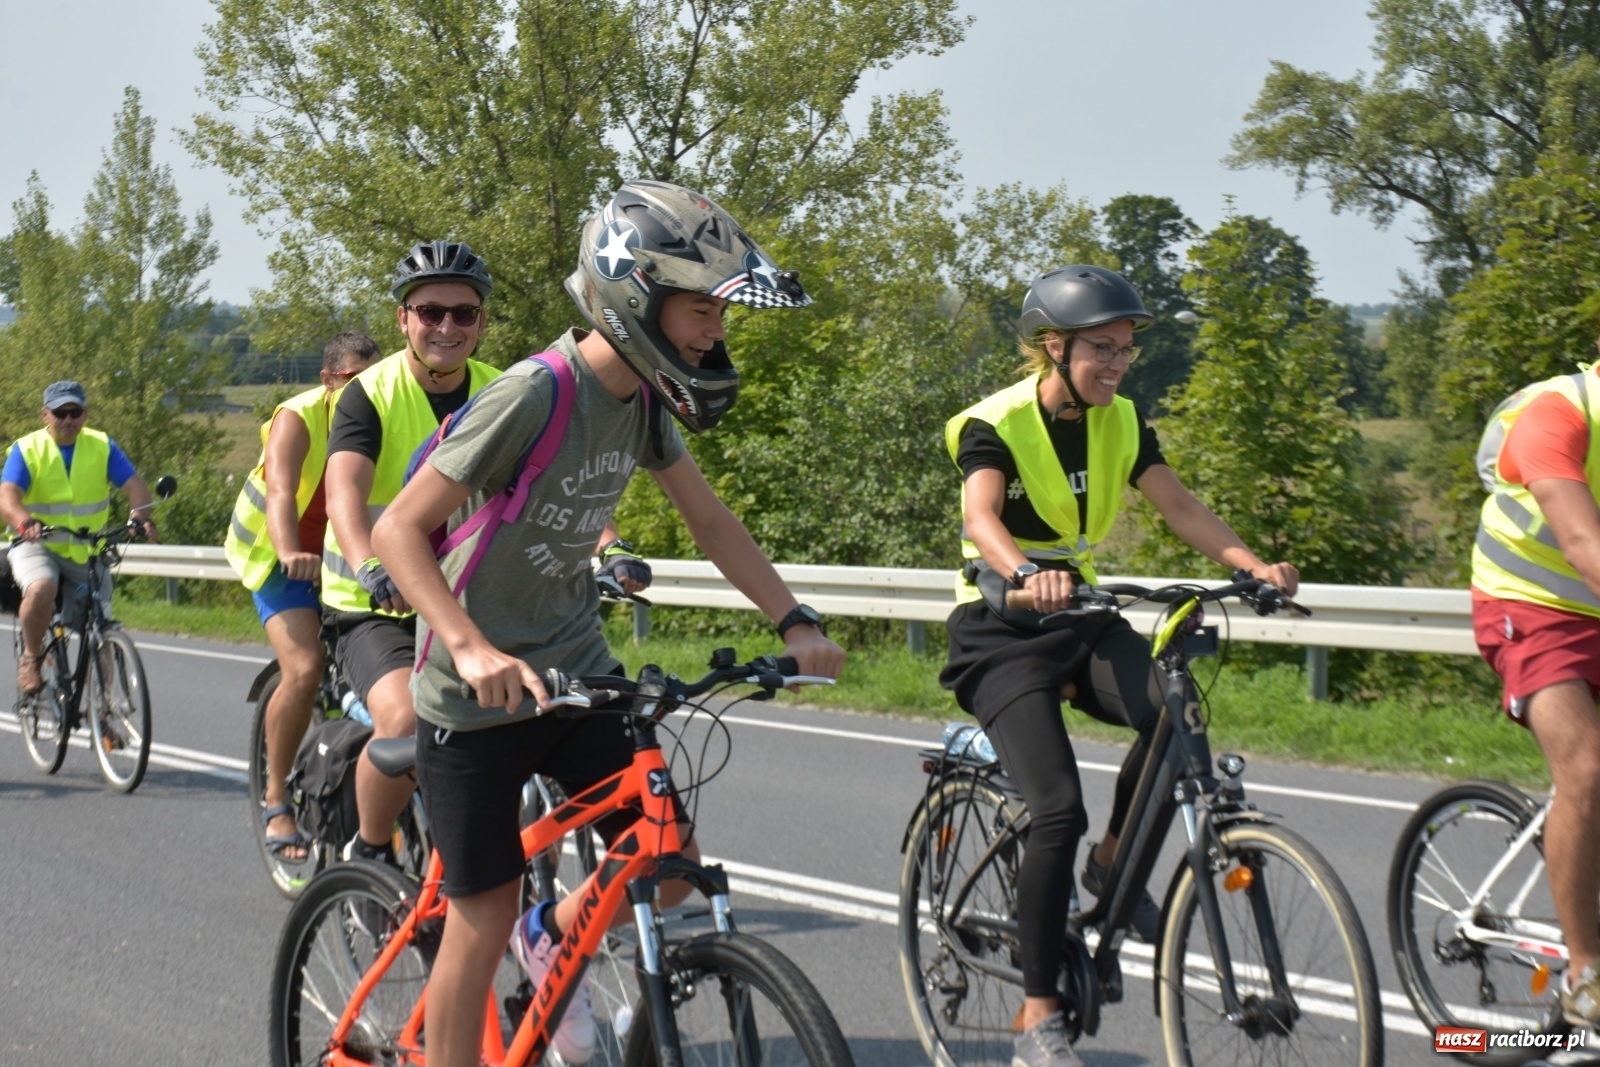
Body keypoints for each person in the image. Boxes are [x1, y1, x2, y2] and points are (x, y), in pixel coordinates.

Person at [372, 179, 845, 1067]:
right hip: (472, 694)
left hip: (572, 671)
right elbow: (397, 527)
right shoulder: (536, 392)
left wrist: (793, 618)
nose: (715, 329)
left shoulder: (643, 401)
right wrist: (470, 647)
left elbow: (710, 520)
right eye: (700, 308)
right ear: (638, 297)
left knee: (665, 863)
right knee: (483, 912)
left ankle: (555, 933)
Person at [939, 265, 1299, 1067]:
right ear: (1054, 347)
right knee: (1054, 808)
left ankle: (1112, 866)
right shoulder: (995, 421)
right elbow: (980, 514)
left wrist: (1249, 565)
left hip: (1082, 615)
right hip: (1002, 626)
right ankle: (1036, 1015)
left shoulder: (1124, 419)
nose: (1118, 362)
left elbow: (1178, 504)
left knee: (1178, 711)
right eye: (1102, 347)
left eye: (1126, 348)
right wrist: (1025, 572)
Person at [319, 241, 502, 866]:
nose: (446, 327)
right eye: (430, 312)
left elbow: (548, 478)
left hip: (463, 599)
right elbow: (343, 490)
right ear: (403, 319)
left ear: (481, 322)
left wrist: (609, 545)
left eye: (464, 313)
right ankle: (369, 852)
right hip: (375, 605)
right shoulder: (368, 393)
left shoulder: (504, 391)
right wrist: (370, 565)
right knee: (403, 720)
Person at [1471, 359, 1600, 1034]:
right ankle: (1584, 975)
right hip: (1531, 605)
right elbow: (1583, 542)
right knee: (1586, 766)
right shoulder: (1558, 415)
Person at [223, 331, 381, 861]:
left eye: (374, 379)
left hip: (345, 559)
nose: (367, 390)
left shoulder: (383, 416)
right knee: (306, 667)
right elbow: (281, 491)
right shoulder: (298, 417)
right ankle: (276, 799)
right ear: (328, 380)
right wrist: (291, 550)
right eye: (354, 380)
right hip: (276, 555)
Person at [1, 380, 160, 695]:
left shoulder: (101, 446)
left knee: (101, 628)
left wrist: (140, 516)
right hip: (37, 545)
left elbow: (135, 487)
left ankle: (106, 708)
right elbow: (7, 497)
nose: (68, 419)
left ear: (85, 414)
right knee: (41, 587)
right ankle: (31, 659)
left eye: (74, 412)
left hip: (87, 551)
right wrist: (23, 521)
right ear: (45, 415)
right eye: (60, 412)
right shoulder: (27, 449)